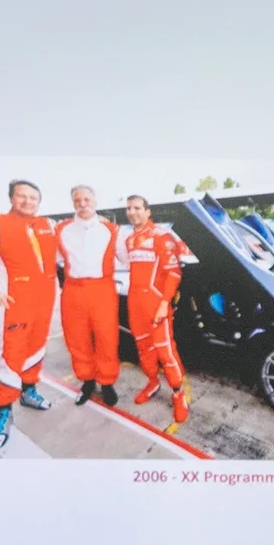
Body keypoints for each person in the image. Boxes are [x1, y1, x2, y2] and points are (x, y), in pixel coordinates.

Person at [0, 179, 58, 449]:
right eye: (21, 196)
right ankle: (3, 411)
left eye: (33, 197)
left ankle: (29, 392)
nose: (28, 201)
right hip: (14, 305)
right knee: (10, 358)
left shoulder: (47, 225)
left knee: (36, 351)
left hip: (44, 304)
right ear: (11, 198)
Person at [119, 194, 193, 432]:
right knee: (143, 348)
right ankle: (152, 383)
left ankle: (178, 393)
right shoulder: (130, 239)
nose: (132, 212)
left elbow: (173, 273)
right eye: (129, 208)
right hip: (135, 303)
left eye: (137, 208)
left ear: (148, 211)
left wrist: (164, 303)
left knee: (165, 351)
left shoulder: (162, 236)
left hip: (156, 304)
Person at [55, 185, 121, 407]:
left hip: (102, 290)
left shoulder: (111, 230)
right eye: (77, 200)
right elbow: (47, 259)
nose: (82, 204)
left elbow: (129, 258)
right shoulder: (61, 230)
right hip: (73, 290)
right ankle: (88, 381)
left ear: (95, 201)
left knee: (106, 338)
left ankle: (107, 383)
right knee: (77, 339)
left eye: (86, 199)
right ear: (73, 203)